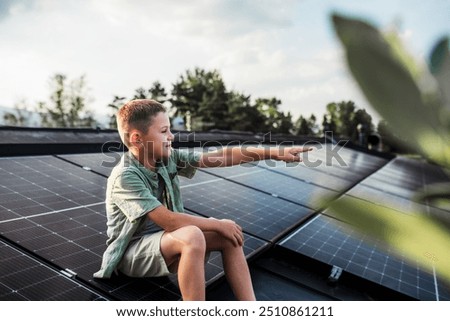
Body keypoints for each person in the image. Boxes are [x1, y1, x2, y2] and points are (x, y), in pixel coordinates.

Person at [94, 99, 312, 300]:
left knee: (229, 235)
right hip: (131, 255)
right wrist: (217, 224)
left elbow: (221, 156)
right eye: (164, 131)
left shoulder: (166, 159)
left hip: (164, 243)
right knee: (193, 235)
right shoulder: (126, 176)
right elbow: (169, 221)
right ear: (137, 138)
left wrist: (273, 153)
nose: (171, 136)